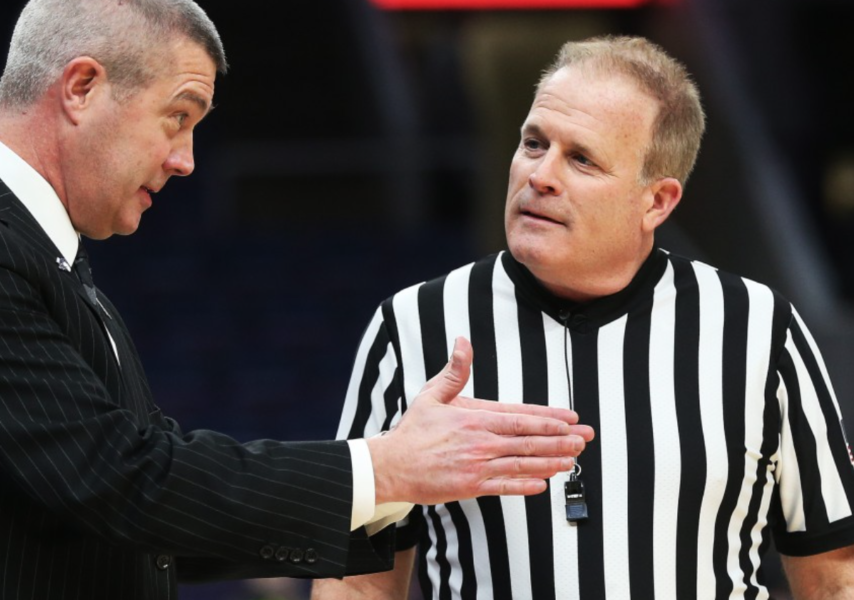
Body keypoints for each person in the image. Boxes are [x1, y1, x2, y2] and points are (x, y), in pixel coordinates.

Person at [0, 1, 597, 598]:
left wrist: (400, 497)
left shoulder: (23, 250)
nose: (185, 160)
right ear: (81, 87)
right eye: (178, 117)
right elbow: (123, 482)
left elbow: (137, 524)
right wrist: (385, 469)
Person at [313, 35, 854, 600]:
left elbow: (835, 576)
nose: (540, 175)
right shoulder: (413, 326)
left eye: (581, 159)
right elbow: (357, 583)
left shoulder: (759, 328)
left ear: (656, 201)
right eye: (533, 143)